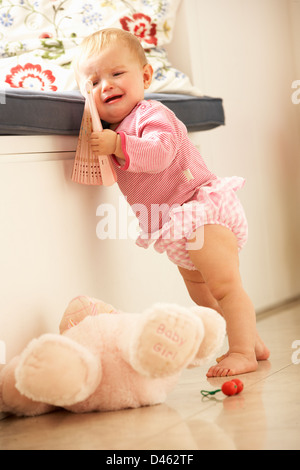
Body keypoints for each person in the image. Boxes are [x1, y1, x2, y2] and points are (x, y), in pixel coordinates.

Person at [73, 28, 270, 377]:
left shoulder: (152, 114)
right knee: (202, 295)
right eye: (93, 82)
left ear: (145, 76)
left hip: (201, 209)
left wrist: (117, 145)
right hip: (172, 226)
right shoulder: (111, 127)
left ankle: (241, 351)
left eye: (117, 73)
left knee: (224, 287)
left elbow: (161, 153)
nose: (106, 85)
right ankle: (251, 340)